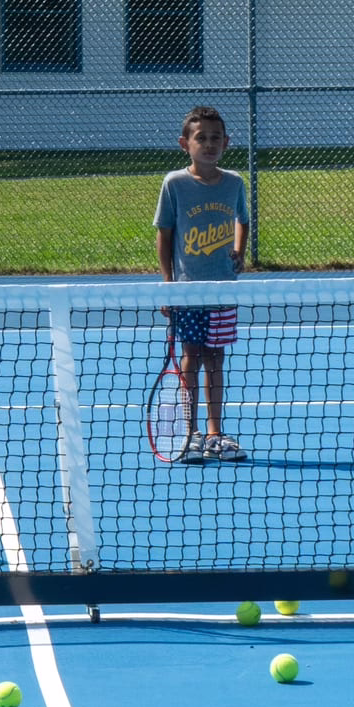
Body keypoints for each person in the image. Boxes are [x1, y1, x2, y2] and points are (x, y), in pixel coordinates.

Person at [153, 106, 249, 464]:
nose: (209, 145)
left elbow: (243, 219)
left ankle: (214, 433)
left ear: (226, 143)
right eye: (200, 138)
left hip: (223, 290)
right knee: (190, 359)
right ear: (185, 144)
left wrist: (240, 250)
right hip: (188, 290)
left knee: (216, 359)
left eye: (215, 138)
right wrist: (168, 284)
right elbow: (164, 234)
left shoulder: (235, 182)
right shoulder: (174, 184)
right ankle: (190, 432)